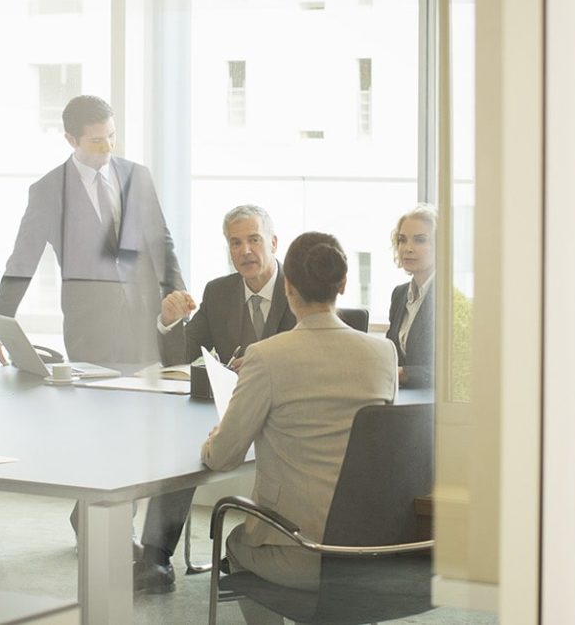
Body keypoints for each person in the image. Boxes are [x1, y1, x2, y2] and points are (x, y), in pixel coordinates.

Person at [202, 231, 398, 596]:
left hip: (300, 550)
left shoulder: (266, 356)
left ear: (287, 286)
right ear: (342, 283)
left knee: (235, 543)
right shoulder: (383, 353)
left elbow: (222, 457)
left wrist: (214, 438)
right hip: (369, 548)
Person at [134, 203, 294, 593]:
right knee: (180, 445)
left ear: (273, 242)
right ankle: (156, 558)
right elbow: (184, 355)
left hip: (285, 411)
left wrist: (260, 368)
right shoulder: (219, 291)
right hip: (229, 411)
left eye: (254, 240)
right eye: (235, 243)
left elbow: (311, 354)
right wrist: (169, 322)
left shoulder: (299, 288)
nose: (245, 251)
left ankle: (276, 551)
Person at [0, 94, 184, 368]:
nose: (107, 147)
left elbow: (162, 245)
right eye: (97, 141)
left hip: (147, 324)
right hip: (90, 333)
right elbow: (21, 265)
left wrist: (178, 302)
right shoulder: (48, 191)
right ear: (71, 140)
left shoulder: (137, 176)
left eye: (111, 136)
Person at [387, 204, 437, 388]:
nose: (407, 248)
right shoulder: (399, 294)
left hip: (436, 407)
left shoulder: (450, 298)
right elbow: (391, 353)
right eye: (402, 240)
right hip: (402, 401)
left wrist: (404, 373)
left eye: (420, 240)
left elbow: (454, 368)